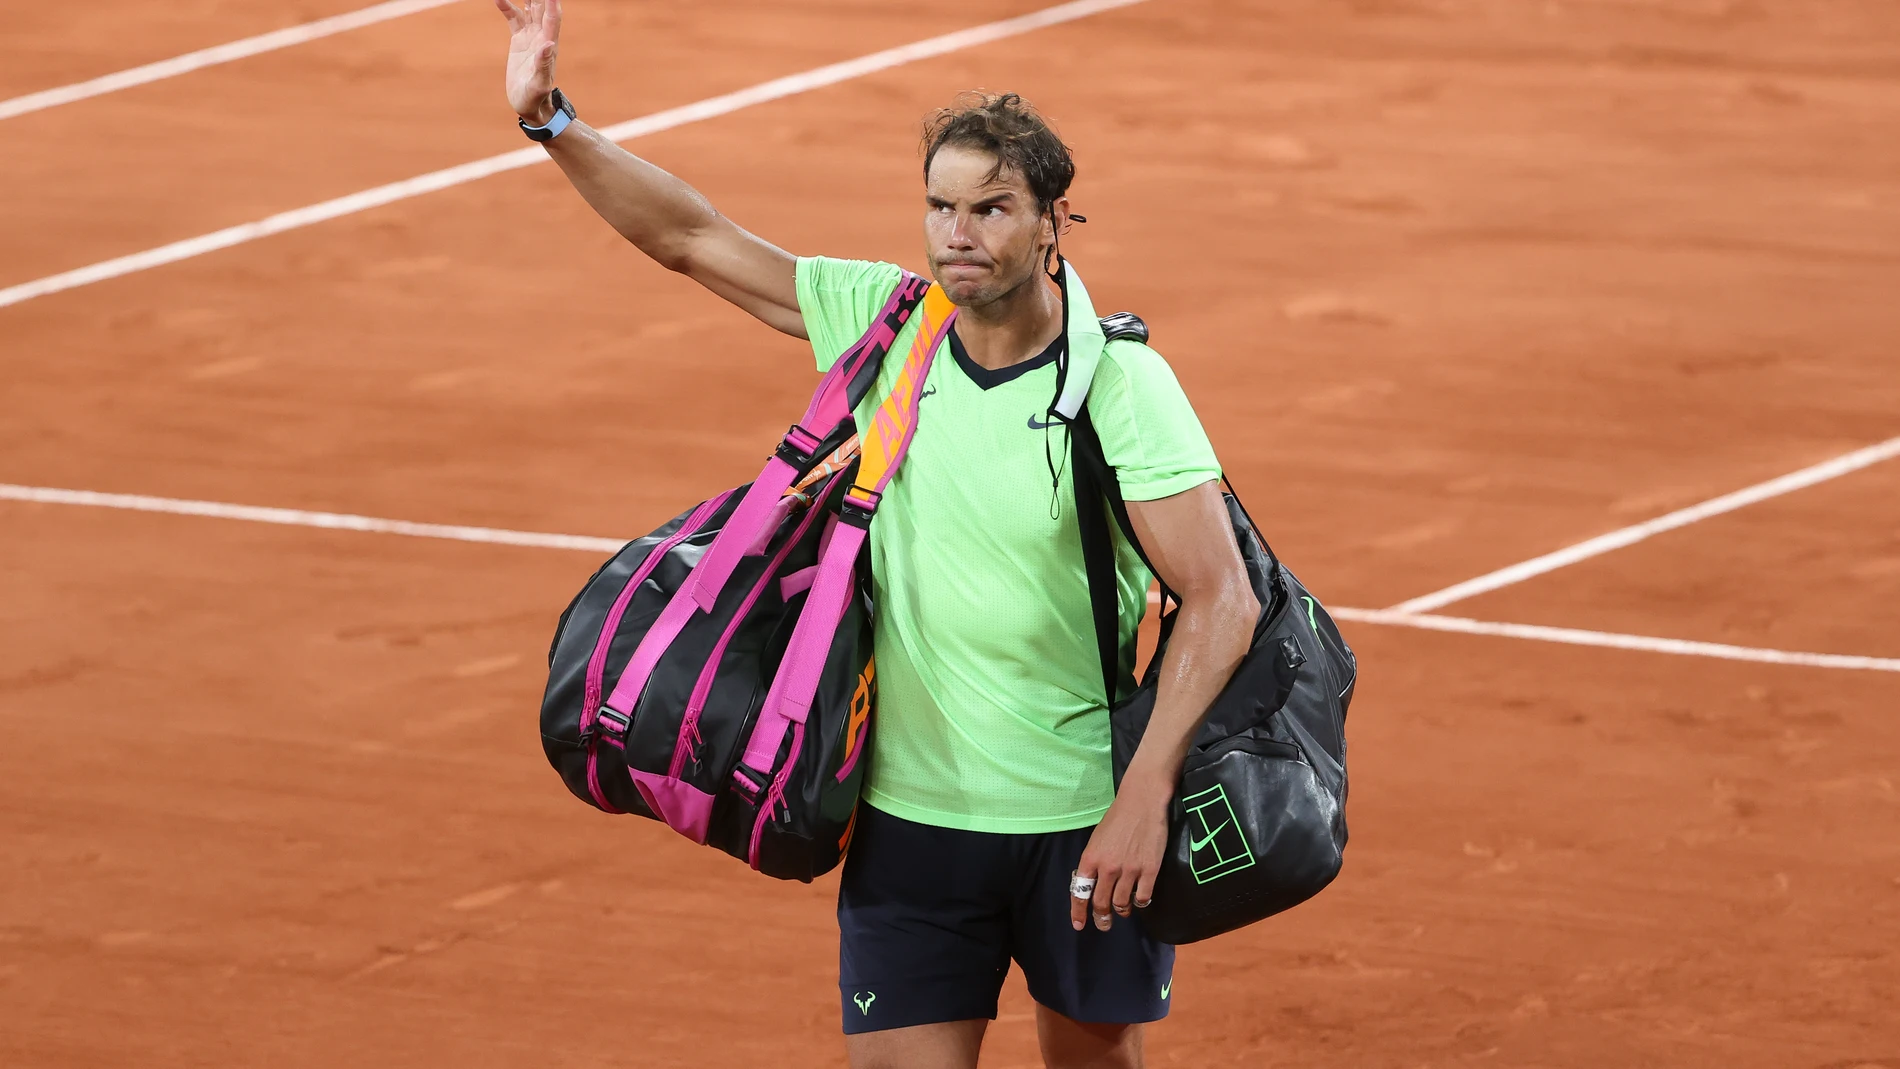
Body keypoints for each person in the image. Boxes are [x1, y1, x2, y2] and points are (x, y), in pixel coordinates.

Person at [495, 2, 1258, 1066]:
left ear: (1052, 220)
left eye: (991, 209)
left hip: (1080, 821)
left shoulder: (1120, 386)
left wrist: (1142, 799)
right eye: (941, 207)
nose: (959, 234)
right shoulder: (890, 324)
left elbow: (1224, 599)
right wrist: (554, 122)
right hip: (910, 826)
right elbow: (691, 236)